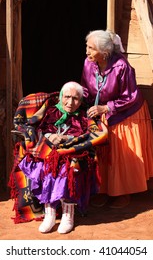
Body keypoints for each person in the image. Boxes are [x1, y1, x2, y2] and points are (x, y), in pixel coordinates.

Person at [16, 81, 104, 234]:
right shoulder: (50, 112)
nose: (70, 103)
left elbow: (88, 136)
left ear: (81, 101)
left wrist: (66, 139)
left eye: (75, 99)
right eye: (67, 97)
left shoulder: (83, 117)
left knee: (66, 169)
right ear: (61, 97)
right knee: (46, 167)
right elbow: (38, 130)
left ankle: (68, 215)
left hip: (72, 153)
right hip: (48, 151)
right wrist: (50, 136)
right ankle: (49, 214)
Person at [81, 29, 153, 208]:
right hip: (101, 111)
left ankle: (123, 193)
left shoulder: (122, 66)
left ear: (104, 52)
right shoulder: (88, 63)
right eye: (87, 46)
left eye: (91, 48)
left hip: (125, 112)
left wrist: (106, 108)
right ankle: (103, 190)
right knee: (101, 152)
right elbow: (86, 87)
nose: (87, 51)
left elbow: (131, 96)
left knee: (121, 154)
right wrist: (76, 99)